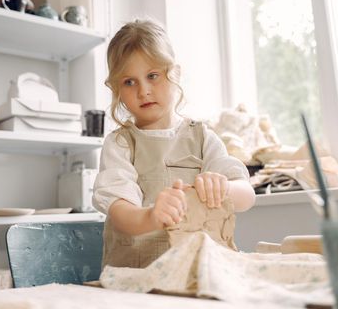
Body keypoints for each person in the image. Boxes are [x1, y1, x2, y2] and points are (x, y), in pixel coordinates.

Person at [92, 19, 255, 268]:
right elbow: (120, 213)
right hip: (135, 276)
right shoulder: (120, 144)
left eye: (152, 76)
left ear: (175, 73)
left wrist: (222, 187)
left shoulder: (203, 137)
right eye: (129, 82)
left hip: (197, 272)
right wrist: (151, 216)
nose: (143, 90)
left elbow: (246, 196)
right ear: (116, 90)